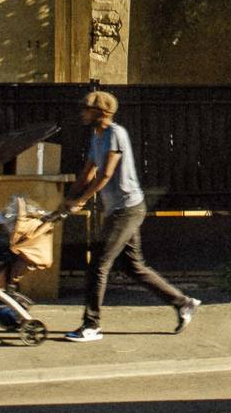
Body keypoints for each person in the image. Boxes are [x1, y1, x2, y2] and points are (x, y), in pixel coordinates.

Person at [60, 88, 199, 341]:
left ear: (100, 112)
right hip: (119, 209)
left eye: (86, 109)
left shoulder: (115, 133)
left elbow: (106, 174)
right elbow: (89, 171)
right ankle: (182, 302)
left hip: (127, 209)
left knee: (98, 265)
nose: (82, 113)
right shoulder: (96, 135)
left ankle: (91, 325)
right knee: (133, 267)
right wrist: (70, 197)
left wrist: (81, 200)